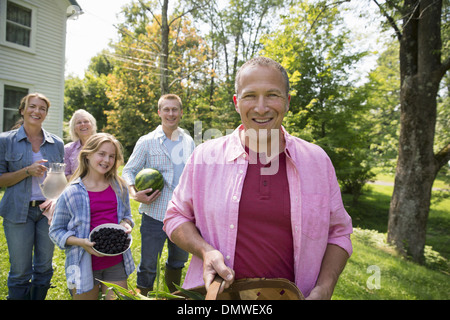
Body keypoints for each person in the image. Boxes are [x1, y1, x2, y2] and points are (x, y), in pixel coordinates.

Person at [163, 57, 353, 300]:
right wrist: (205, 251)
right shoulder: (205, 157)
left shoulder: (317, 161)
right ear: (236, 102)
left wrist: (325, 287)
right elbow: (175, 215)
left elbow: (338, 232)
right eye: (250, 95)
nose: (261, 107)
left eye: (272, 95)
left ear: (287, 102)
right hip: (220, 298)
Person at [122, 94, 195, 295]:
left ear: (181, 113)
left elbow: (192, 174)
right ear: (159, 112)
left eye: (174, 110)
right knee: (148, 264)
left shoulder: (188, 141)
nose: (170, 113)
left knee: (178, 261)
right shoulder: (146, 142)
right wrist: (134, 194)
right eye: (166, 109)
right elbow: (128, 170)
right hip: (154, 213)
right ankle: (143, 296)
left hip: (182, 214)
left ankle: (172, 297)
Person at [49, 133, 135, 300]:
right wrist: (81, 242)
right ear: (87, 154)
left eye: (112, 156)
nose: (107, 160)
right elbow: (56, 231)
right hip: (83, 263)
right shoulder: (71, 193)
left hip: (115, 262)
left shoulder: (120, 187)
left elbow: (127, 216)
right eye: (101, 154)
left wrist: (126, 223)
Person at [0, 93, 64, 300]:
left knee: (44, 268)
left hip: (47, 212)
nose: (37, 111)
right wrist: (27, 171)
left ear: (46, 114)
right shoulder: (5, 141)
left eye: (42, 108)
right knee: (20, 270)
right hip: (18, 211)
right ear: (22, 110)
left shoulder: (56, 143)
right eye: (32, 106)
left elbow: (61, 178)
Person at [64, 109, 97, 180]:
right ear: (74, 129)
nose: (83, 124)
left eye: (86, 121)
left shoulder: (102, 145)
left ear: (92, 125)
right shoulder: (68, 149)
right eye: (79, 122)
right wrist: (83, 181)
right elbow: (65, 174)